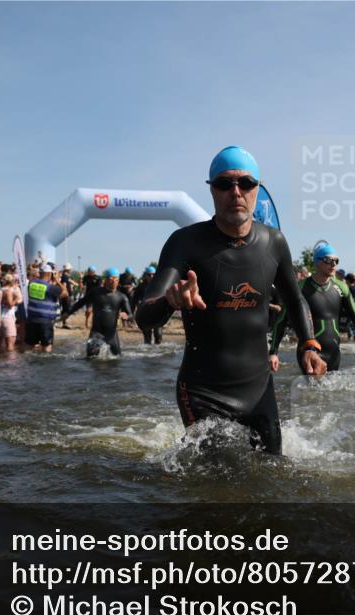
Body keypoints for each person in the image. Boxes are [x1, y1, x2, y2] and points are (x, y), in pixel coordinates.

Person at [136, 145, 326, 454]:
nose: (235, 191)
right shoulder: (185, 242)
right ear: (212, 190)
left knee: (271, 473)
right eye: (225, 183)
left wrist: (309, 346)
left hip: (259, 389)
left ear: (257, 190)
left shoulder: (273, 242)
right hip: (202, 391)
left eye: (246, 183)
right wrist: (170, 301)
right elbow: (144, 316)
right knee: (215, 483)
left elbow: (295, 300)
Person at [270, 243, 355, 373]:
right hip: (309, 351)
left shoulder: (341, 287)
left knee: (331, 391)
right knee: (310, 392)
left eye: (336, 261)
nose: (333, 264)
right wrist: (273, 352)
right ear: (317, 262)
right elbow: (281, 320)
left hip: (334, 353)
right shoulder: (300, 288)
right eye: (328, 260)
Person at [68, 267, 133, 357]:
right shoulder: (95, 292)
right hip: (96, 332)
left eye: (116, 279)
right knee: (91, 359)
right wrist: (67, 313)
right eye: (111, 279)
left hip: (112, 335)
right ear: (106, 280)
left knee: (117, 359)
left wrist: (127, 316)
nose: (113, 282)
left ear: (118, 281)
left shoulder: (121, 297)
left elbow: (131, 315)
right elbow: (80, 303)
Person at [25, 263, 64, 352]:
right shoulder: (50, 287)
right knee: (46, 346)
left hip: (31, 320)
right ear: (50, 274)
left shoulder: (31, 284)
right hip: (45, 322)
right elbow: (65, 294)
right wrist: (57, 281)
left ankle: (26, 364)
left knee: (29, 345)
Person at [132, 266, 163, 345]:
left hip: (157, 313)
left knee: (158, 336)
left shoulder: (159, 284)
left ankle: (157, 355)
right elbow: (134, 300)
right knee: (147, 337)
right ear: (145, 275)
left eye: (153, 274)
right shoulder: (141, 286)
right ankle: (148, 354)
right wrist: (131, 312)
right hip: (145, 313)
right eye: (149, 275)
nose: (151, 276)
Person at [0, 273, 22, 352]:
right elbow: (10, 305)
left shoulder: (0, 289)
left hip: (0, 316)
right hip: (7, 317)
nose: (15, 282)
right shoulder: (8, 290)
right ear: (11, 281)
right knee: (10, 344)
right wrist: (16, 298)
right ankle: (10, 362)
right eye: (14, 280)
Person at [81, 266, 101, 330]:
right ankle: (86, 321)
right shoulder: (86, 277)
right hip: (88, 296)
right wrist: (81, 278)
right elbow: (81, 286)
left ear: (94, 272)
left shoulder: (98, 278)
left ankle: (94, 324)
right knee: (88, 310)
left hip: (96, 296)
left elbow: (100, 287)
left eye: (91, 271)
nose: (90, 272)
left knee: (96, 311)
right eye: (89, 271)